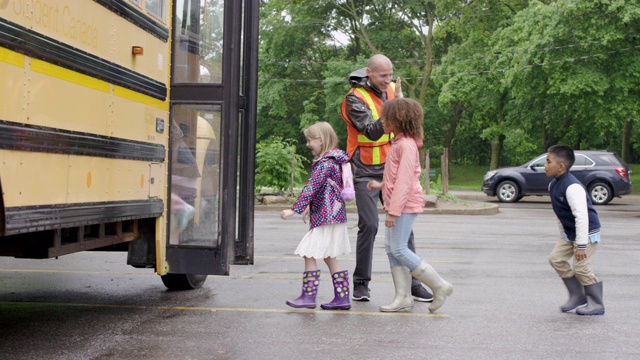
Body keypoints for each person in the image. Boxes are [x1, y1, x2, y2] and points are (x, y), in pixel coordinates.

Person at [340, 54, 433, 302]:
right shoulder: (353, 98)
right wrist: (397, 110)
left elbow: (409, 125)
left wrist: (400, 101)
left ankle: (414, 284)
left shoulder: (393, 90)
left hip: (390, 165)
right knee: (369, 225)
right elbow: (370, 132)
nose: (388, 80)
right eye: (383, 76)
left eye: (391, 75)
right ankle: (361, 283)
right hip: (364, 168)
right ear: (369, 72)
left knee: (404, 227)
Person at [367, 98, 453, 313]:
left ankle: (439, 285)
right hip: (397, 203)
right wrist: (381, 184)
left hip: (403, 205)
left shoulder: (405, 145)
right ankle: (403, 297)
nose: (382, 121)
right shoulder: (399, 142)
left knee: (399, 248)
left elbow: (405, 182)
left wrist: (393, 211)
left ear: (398, 120)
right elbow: (397, 177)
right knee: (391, 249)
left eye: (386, 118)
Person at [280, 121, 352, 310]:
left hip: (326, 218)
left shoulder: (325, 163)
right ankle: (342, 298)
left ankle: (308, 297)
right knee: (329, 256)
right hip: (333, 216)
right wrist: (308, 208)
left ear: (321, 140)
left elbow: (311, 187)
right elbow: (325, 189)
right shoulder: (334, 160)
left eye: (310, 140)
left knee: (308, 251)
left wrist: (294, 209)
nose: (308, 144)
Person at [545, 145, 605, 316]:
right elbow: (559, 213)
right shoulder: (553, 185)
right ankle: (578, 295)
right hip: (569, 232)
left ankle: (596, 303)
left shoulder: (572, 187)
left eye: (548, 162)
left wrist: (581, 246)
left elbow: (582, 217)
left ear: (561, 166)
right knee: (556, 259)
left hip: (585, 232)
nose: (545, 166)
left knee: (580, 267)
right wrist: (563, 233)